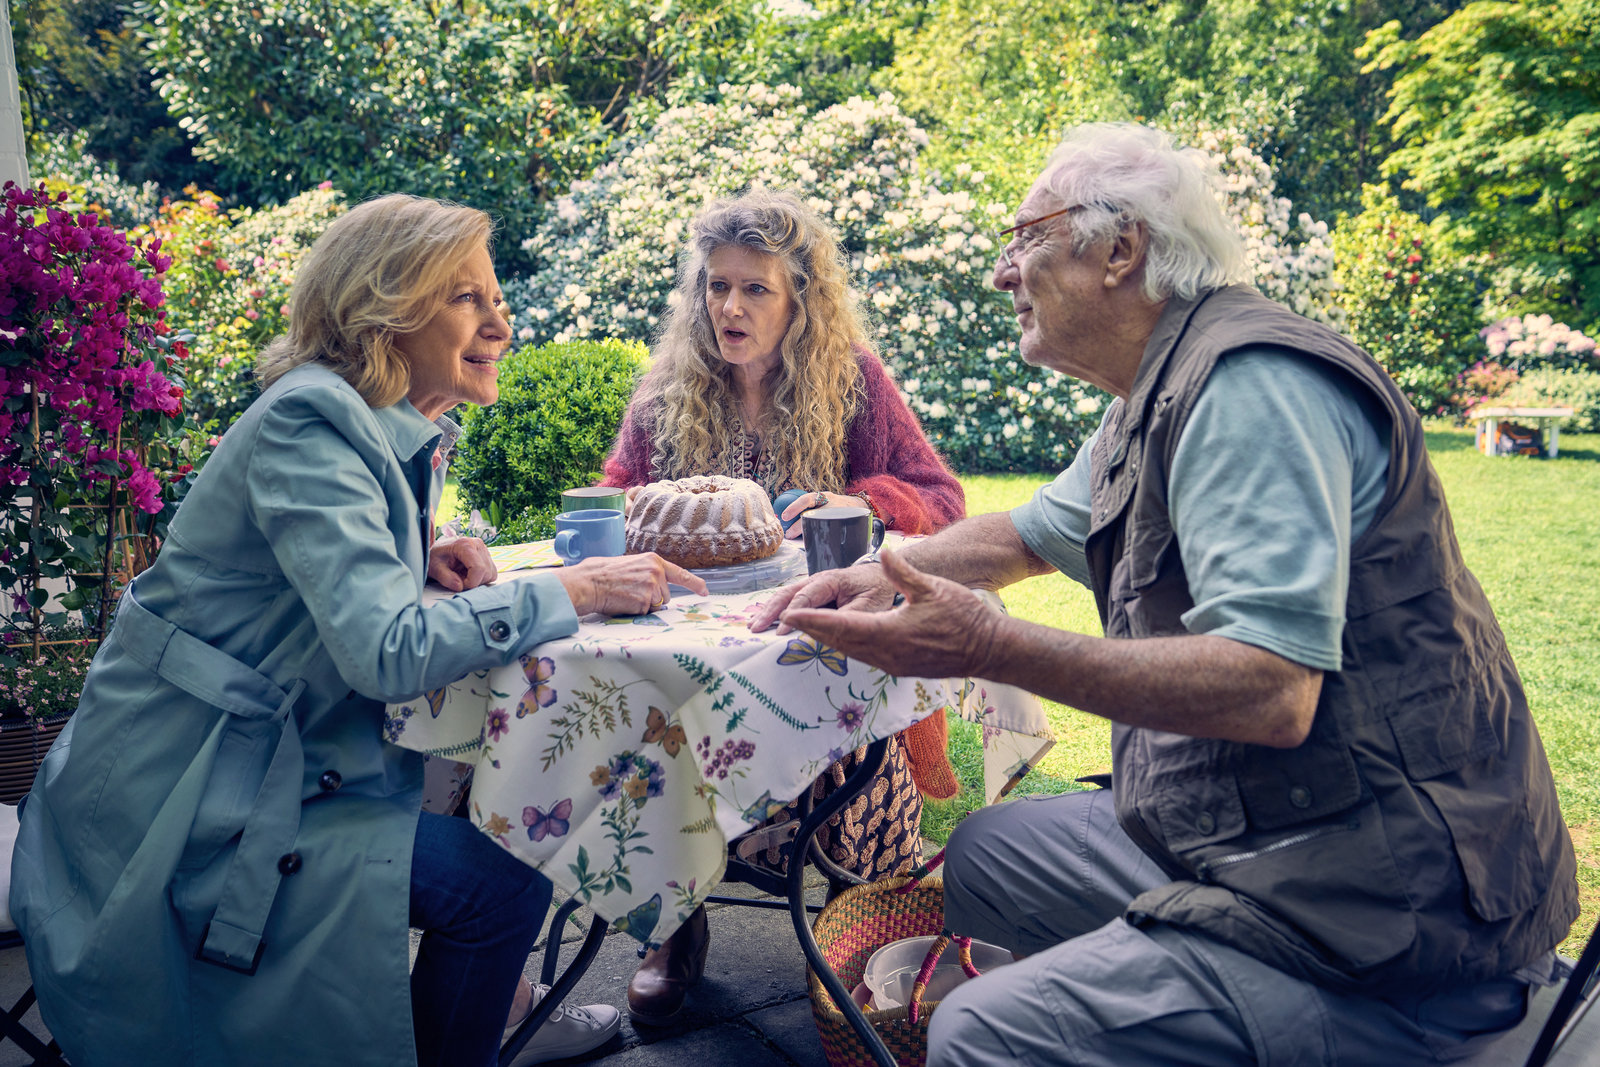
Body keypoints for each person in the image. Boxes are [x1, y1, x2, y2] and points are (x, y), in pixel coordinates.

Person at [753, 123, 1580, 1065]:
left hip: (1381, 911)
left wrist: (988, 646)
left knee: (984, 1031)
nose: (1000, 272)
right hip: (1262, 834)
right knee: (988, 855)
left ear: (1120, 249)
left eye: (1025, 238)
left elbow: (1272, 689)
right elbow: (1026, 533)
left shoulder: (1248, 386)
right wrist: (877, 569)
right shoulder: (1156, 392)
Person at [9, 193, 708, 1067]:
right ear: (384, 311)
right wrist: (577, 586)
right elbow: (386, 652)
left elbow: (321, 588)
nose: (500, 322)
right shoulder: (313, 422)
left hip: (247, 765)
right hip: (179, 803)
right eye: (468, 299)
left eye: (494, 297)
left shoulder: (362, 424)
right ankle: (475, 1034)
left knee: (500, 820)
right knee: (500, 883)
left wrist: (414, 561)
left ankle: (482, 1018)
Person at [598, 188, 966, 1025]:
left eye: (755, 288)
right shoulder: (668, 389)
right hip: (687, 642)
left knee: (841, 738)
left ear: (801, 300)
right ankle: (673, 923)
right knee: (642, 714)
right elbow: (619, 492)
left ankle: (845, 922)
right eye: (717, 286)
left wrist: (855, 497)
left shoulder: (853, 383)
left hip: (812, 642)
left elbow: (941, 498)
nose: (729, 306)